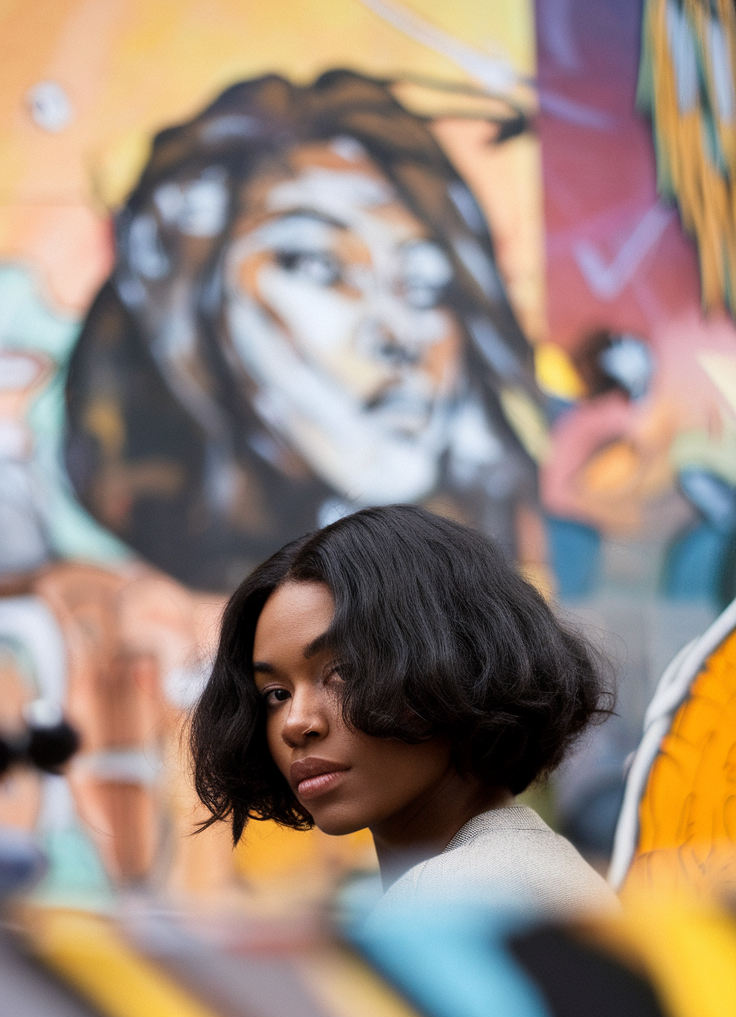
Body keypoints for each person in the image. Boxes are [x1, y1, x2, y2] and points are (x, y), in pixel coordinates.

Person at [65, 71, 547, 593]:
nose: (400, 332)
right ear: (191, 294)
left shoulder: (495, 572)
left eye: (426, 286)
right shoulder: (88, 595)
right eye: (319, 266)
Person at [191, 505, 619, 914]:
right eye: (275, 694)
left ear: (459, 661)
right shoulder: (547, 871)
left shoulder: (444, 900)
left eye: (343, 672)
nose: (297, 723)